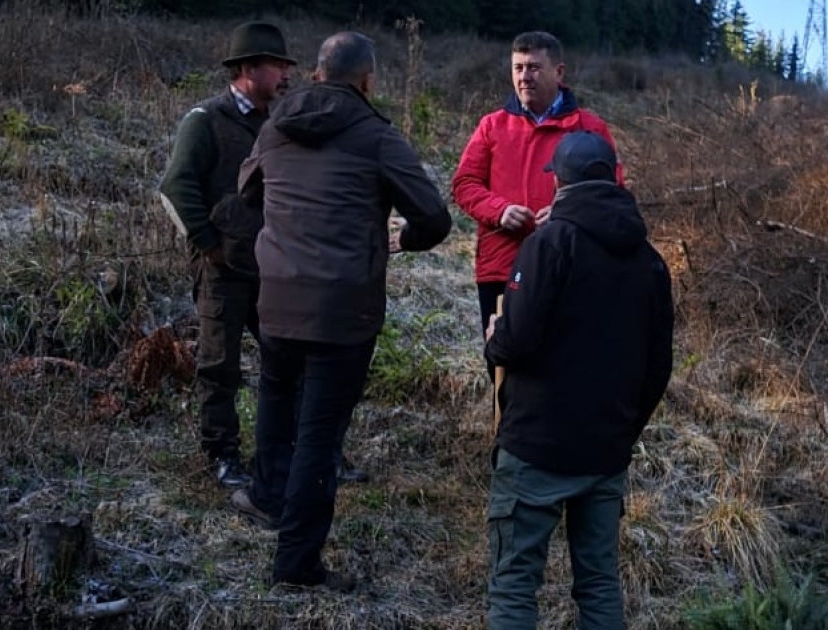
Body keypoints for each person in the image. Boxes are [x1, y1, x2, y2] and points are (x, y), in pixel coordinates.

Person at [228, 31, 451, 590]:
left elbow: (246, 190)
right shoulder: (375, 135)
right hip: (342, 310)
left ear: (317, 72)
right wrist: (407, 239)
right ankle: (296, 565)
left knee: (277, 406)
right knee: (320, 435)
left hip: (276, 296)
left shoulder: (276, 125)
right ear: (367, 80)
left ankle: (266, 500)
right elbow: (434, 215)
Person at [483, 131, 673, 629]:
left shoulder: (550, 242)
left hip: (535, 446)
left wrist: (495, 336)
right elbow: (659, 367)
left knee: (515, 582)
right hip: (606, 450)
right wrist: (623, 431)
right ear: (612, 177)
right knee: (599, 583)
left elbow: (515, 342)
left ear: (559, 182)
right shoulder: (651, 261)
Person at [159, 21, 295, 488]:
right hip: (222, 269)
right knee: (220, 367)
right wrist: (208, 244)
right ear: (248, 69)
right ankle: (221, 457)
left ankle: (281, 453)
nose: (285, 75)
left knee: (285, 360)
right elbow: (175, 187)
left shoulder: (277, 123)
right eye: (277, 65)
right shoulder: (205, 120)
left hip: (271, 268)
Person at [452, 31, 623, 373]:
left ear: (558, 73)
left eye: (533, 67)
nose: (523, 77)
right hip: (502, 269)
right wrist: (499, 211)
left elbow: (613, 191)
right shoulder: (492, 126)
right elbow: (464, 184)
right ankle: (503, 427)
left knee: (562, 367)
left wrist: (566, 212)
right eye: (517, 68)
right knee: (503, 367)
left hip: (569, 267)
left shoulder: (589, 129)